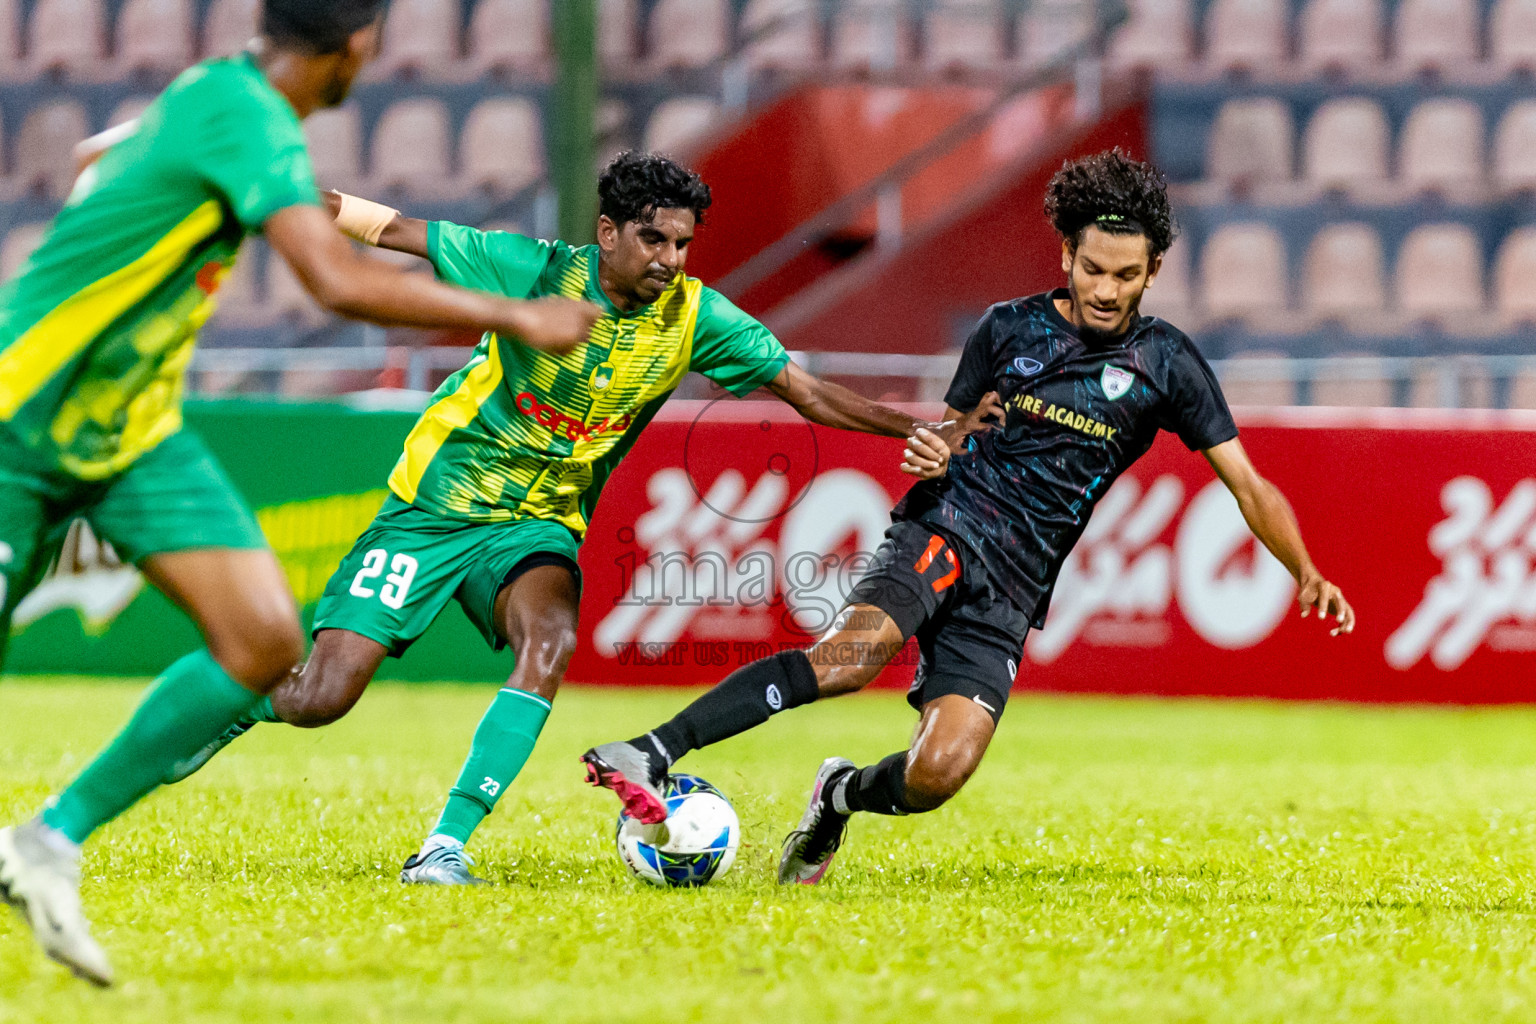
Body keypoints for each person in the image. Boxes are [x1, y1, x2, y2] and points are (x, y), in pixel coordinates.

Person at [165, 151, 990, 888]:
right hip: (436, 507)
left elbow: (806, 393)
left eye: (682, 244)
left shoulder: (695, 317)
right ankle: (241, 700)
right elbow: (391, 228)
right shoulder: (534, 271)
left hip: (539, 524)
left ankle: (444, 846)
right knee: (321, 696)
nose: (670, 260)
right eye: (654, 240)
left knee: (550, 640)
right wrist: (270, 195)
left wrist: (922, 428)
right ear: (608, 233)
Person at [0, 0, 600, 986]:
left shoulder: (219, 102)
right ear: (354, 46)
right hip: (21, 417)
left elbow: (92, 160)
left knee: (267, 640)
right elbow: (334, 281)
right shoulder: (243, 116)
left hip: (132, 435)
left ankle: (48, 842)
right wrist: (512, 314)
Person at [581, 149, 1357, 888]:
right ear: (1065, 257)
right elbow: (949, 436)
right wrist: (934, 452)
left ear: (1154, 270)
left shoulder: (1169, 365)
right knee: (849, 661)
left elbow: (1249, 485)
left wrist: (1307, 570)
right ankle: (654, 749)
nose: (1108, 290)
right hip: (946, 526)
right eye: (1093, 269)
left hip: (1014, 587)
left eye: (1127, 275)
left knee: (936, 776)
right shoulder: (1007, 329)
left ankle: (837, 798)